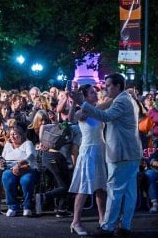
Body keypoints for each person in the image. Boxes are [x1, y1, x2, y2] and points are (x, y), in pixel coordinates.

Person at [70, 73, 142, 236]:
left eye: (108, 85)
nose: (104, 88)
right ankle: (125, 226)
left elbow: (106, 116)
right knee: (129, 192)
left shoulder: (122, 100)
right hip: (129, 152)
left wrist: (81, 101)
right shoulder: (125, 99)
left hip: (121, 152)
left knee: (115, 191)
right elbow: (84, 114)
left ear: (117, 86)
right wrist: (79, 103)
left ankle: (107, 227)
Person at [67, 84, 107, 236]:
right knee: (84, 188)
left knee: (100, 188)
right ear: (84, 96)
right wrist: (74, 102)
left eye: (95, 91)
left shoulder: (98, 108)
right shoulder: (82, 111)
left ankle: (102, 219)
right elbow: (71, 119)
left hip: (100, 150)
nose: (95, 94)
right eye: (92, 92)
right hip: (88, 151)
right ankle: (75, 221)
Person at [0, 126, 38, 217]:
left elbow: (31, 156)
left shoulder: (28, 143)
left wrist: (19, 165)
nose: (12, 136)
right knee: (6, 176)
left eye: (15, 134)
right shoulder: (7, 145)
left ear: (21, 134)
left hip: (26, 168)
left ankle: (27, 206)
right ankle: (12, 206)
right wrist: (1, 164)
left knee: (26, 180)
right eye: (11, 134)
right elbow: (2, 159)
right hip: (10, 169)